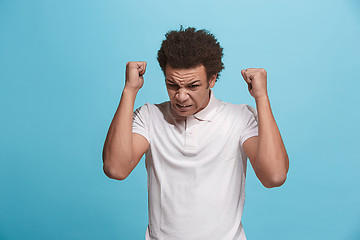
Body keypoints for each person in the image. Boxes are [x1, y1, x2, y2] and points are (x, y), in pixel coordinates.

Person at [102, 26, 289, 240]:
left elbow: (274, 176)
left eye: (193, 86)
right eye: (172, 85)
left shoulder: (239, 117)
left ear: (212, 80)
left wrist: (261, 98)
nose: (181, 96)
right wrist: (129, 90)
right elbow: (115, 168)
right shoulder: (149, 116)